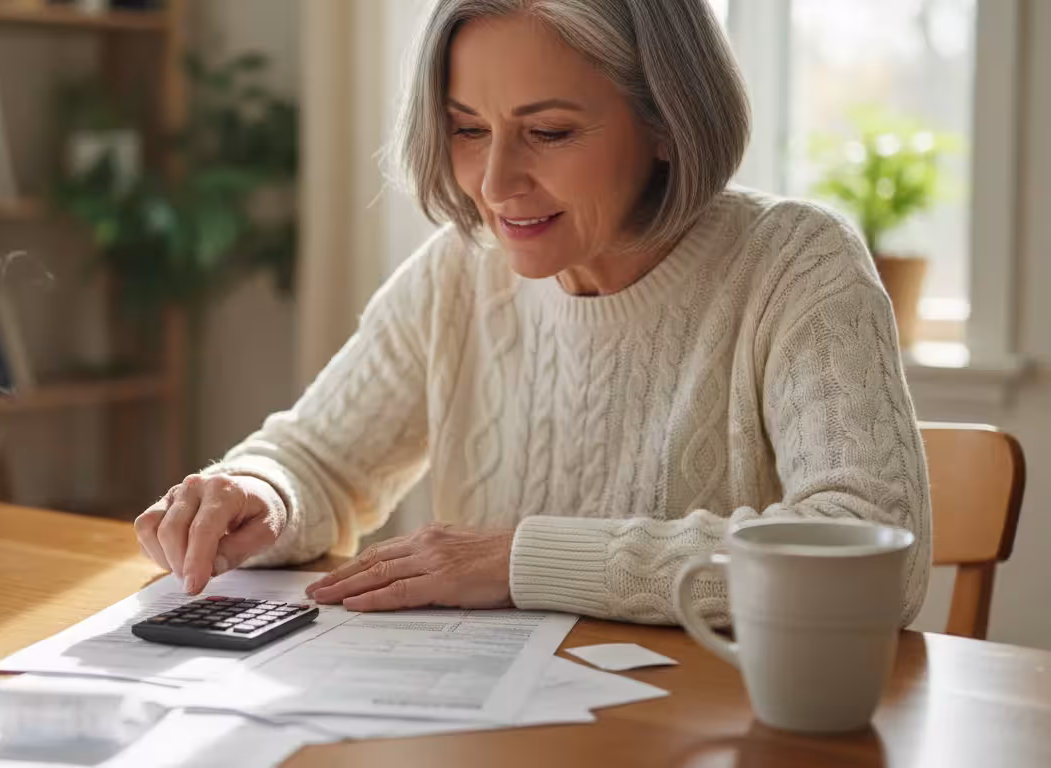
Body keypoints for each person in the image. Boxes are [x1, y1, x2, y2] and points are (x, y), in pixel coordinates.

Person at [134, 0, 931, 625]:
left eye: (547, 131)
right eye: (467, 129)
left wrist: (522, 560)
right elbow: (320, 461)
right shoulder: (459, 271)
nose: (494, 182)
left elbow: (873, 558)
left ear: (667, 121)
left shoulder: (795, 265)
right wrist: (257, 490)